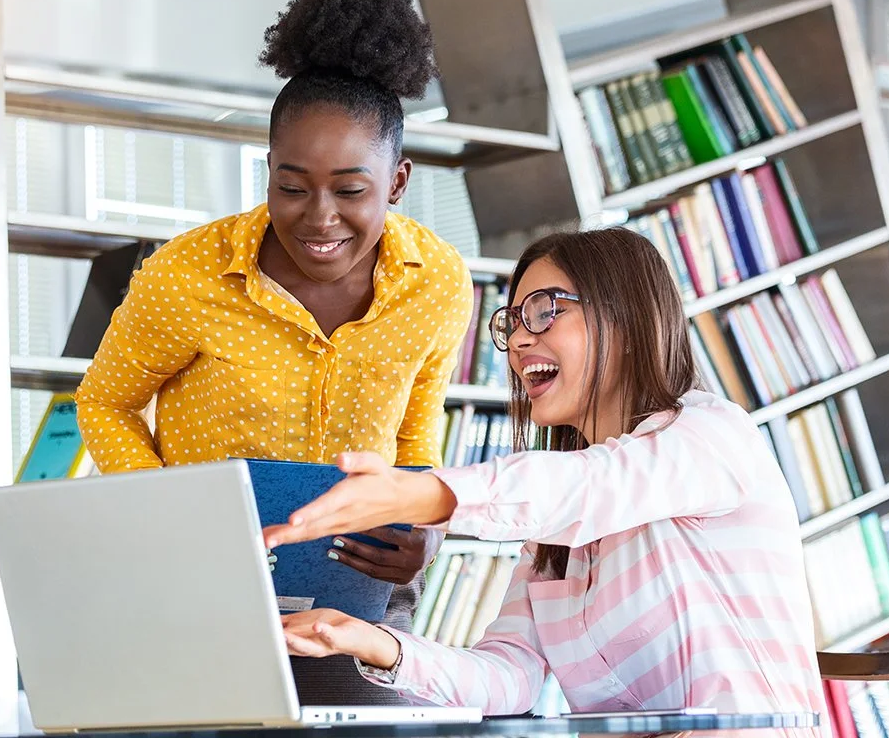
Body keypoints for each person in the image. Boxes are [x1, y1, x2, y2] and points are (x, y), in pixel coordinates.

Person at [73, 0, 475, 705]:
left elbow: (417, 444)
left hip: (356, 607)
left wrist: (424, 528)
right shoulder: (187, 274)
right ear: (268, 173)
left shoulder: (438, 283)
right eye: (292, 186)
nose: (319, 216)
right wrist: (173, 517)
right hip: (199, 598)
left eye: (351, 189)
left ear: (398, 181)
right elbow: (105, 402)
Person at [264, 227, 827, 733]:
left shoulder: (711, 436)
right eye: (511, 323)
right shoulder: (552, 537)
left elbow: (591, 486)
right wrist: (375, 643)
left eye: (544, 310)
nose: (518, 341)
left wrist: (425, 493)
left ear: (626, 320)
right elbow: (511, 677)